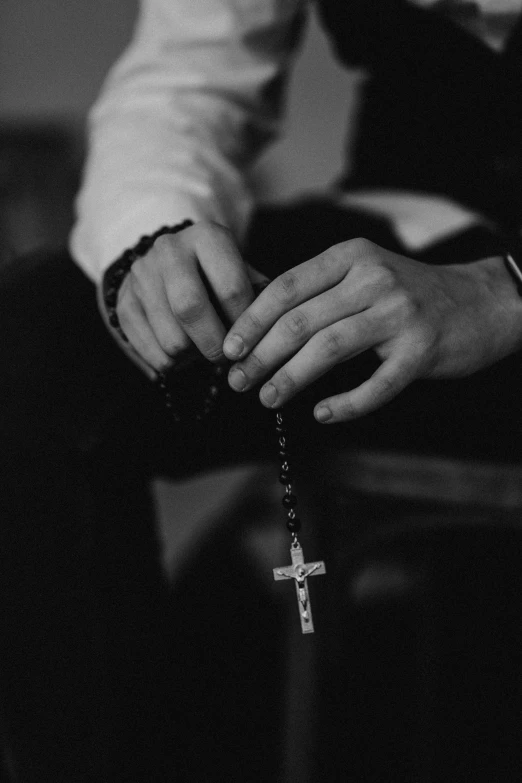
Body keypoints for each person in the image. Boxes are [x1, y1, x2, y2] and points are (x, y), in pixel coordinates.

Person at [2, 0, 522, 780]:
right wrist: (155, 239)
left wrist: (506, 291)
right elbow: (187, 81)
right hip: (402, 240)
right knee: (31, 340)